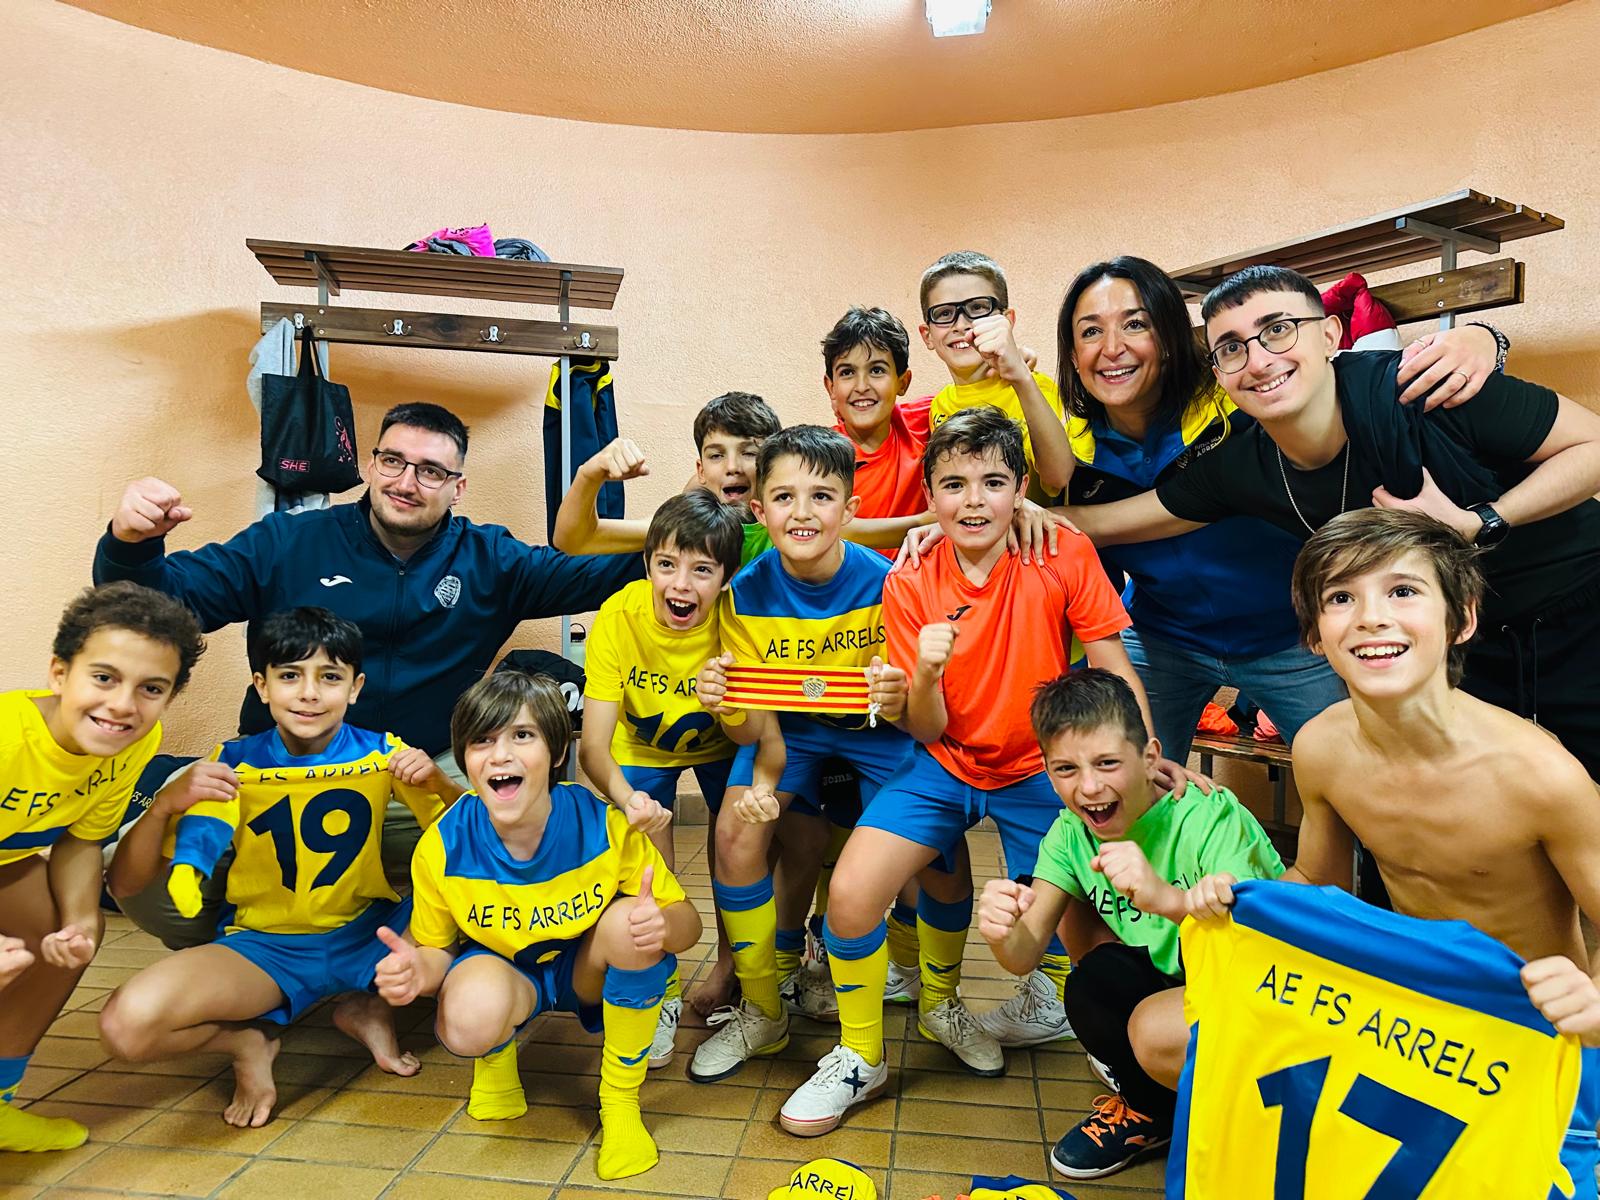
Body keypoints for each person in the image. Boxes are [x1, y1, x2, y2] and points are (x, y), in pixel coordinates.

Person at [92, 402, 642, 944]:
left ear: (458, 488)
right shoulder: (287, 543)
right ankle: (254, 945)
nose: (406, 483)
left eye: (431, 471)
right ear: (371, 465)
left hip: (419, 768)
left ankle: (432, 941)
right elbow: (155, 606)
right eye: (393, 461)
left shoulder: (492, 559)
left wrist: (684, 521)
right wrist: (130, 545)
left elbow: (605, 574)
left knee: (527, 822)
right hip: (285, 771)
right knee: (145, 874)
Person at [777, 409, 1173, 1134]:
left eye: (993, 482)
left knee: (1088, 910)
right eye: (954, 484)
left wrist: (1143, 760)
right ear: (929, 496)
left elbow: (1111, 661)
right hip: (943, 763)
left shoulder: (1060, 550)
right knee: (852, 896)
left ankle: (1074, 1014)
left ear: (1020, 489)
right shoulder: (910, 578)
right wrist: (926, 673)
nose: (974, 500)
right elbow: (925, 727)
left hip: (1040, 769)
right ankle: (861, 1053)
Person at [1187, 507, 1600, 1192]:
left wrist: (1592, 1003)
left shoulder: (1541, 776)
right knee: (1162, 1032)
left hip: (1528, 1028)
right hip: (1404, 1009)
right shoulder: (1321, 747)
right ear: (1314, 635)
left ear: (1462, 619)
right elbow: (1318, 881)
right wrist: (1240, 901)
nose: (1371, 618)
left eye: (1403, 591)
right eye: (1340, 598)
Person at [1059, 265, 1600, 778]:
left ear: (1329, 336)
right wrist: (1013, 511)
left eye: (1279, 330)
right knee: (1477, 803)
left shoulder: (1415, 388)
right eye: (1233, 348)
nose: (1260, 360)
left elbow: (1591, 445)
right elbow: (1119, 519)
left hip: (1575, 605)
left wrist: (1480, 521)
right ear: (1219, 371)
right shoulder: (1240, 462)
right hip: (1459, 643)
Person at [97, 608, 453, 1128]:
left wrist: (439, 782)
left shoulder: (383, 752)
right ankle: (247, 1043)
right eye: (290, 676)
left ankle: (369, 1006)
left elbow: (466, 837)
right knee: (125, 1027)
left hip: (371, 934)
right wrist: (179, 845)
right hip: (266, 948)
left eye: (329, 677)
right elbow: (190, 841)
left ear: (355, 688)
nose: (309, 694)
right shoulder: (232, 761)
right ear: (262, 687)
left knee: (473, 899)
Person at [372, 671, 703, 1181]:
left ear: (555, 752)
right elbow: (437, 952)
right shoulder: (442, 845)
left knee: (628, 925)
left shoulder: (603, 825)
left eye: (521, 735)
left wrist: (659, 927)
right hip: (506, 970)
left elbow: (690, 926)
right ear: (464, 759)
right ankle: (496, 1060)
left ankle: (620, 1103)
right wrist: (418, 971)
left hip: (583, 971)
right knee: (467, 1017)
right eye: (482, 740)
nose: (500, 755)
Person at [977, 668, 1283, 1178]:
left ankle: (1245, 1115)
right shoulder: (1070, 834)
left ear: (1150, 757)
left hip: (1254, 989)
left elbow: (1257, 944)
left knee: (1152, 1023)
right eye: (1065, 769)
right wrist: (1000, 931)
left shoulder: (1207, 816)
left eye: (1107, 763)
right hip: (1171, 982)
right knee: (1092, 984)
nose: (1089, 787)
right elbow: (1023, 956)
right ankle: (1152, 1111)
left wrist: (1166, 898)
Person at [686, 426, 911, 1085]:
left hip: (878, 733)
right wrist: (723, 704)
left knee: (929, 838)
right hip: (790, 738)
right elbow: (751, 729)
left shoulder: (890, 584)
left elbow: (910, 704)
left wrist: (900, 692)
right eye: (784, 497)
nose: (802, 513)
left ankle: (937, 998)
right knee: (735, 832)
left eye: (822, 496)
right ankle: (762, 1009)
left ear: (851, 507)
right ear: (759, 510)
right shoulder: (743, 594)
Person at [0, 581, 205, 1152]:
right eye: (104, 678)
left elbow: (80, 841)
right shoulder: (7, 739)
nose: (122, 705)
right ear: (59, 673)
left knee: (60, 942)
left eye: (151, 688)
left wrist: (81, 921)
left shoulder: (136, 740)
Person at [579, 489, 746, 1067]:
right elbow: (593, 747)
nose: (681, 584)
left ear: (725, 578)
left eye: (702, 570)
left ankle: (735, 972)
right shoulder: (619, 616)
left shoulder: (737, 617)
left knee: (737, 854)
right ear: (648, 563)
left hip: (725, 741)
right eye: (667, 564)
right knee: (651, 874)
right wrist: (629, 800)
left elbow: (759, 727)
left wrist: (731, 704)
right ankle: (663, 993)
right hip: (639, 749)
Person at [919, 251, 1072, 503]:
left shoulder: (1035, 388)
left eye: (978, 308)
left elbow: (1059, 477)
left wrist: (1021, 377)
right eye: (944, 313)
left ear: (1007, 320)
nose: (961, 324)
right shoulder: (940, 405)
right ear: (927, 335)